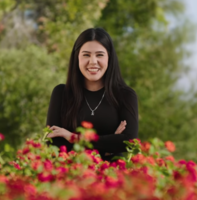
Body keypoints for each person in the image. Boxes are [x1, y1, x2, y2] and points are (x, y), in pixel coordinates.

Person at [46, 28, 138, 161]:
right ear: (77, 57)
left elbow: (129, 142)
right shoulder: (61, 94)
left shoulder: (125, 95)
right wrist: (108, 148)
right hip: (70, 176)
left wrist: (74, 138)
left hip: (113, 177)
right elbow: (53, 144)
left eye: (100, 55)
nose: (93, 61)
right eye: (86, 55)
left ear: (109, 57)